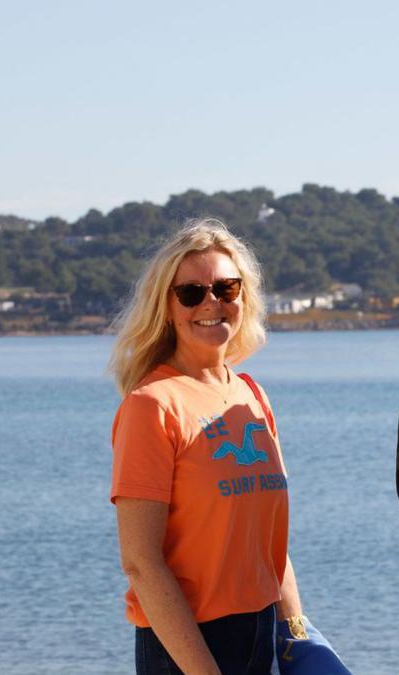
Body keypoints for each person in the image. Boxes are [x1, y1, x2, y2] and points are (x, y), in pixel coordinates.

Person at [108, 219, 349, 675]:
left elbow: (268, 543)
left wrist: (296, 634)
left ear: (244, 296)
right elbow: (141, 563)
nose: (211, 303)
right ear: (166, 306)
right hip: (188, 646)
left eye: (226, 288)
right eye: (191, 293)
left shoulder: (251, 396)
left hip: (262, 633)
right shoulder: (152, 406)